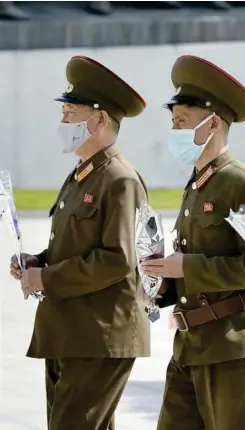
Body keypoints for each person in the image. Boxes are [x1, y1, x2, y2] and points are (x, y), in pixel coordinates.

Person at [9, 55, 150, 430]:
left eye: (71, 113)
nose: (63, 122)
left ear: (100, 119)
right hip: (71, 331)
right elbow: (75, 247)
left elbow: (117, 258)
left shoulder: (119, 179)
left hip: (99, 334)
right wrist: (37, 262)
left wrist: (47, 279)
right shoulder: (82, 175)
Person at [141, 55, 245, 430]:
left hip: (231, 345)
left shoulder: (244, 184)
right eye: (173, 122)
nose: (174, 131)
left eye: (181, 122)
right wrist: (159, 284)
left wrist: (186, 267)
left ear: (212, 122)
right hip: (190, 343)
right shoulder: (198, 181)